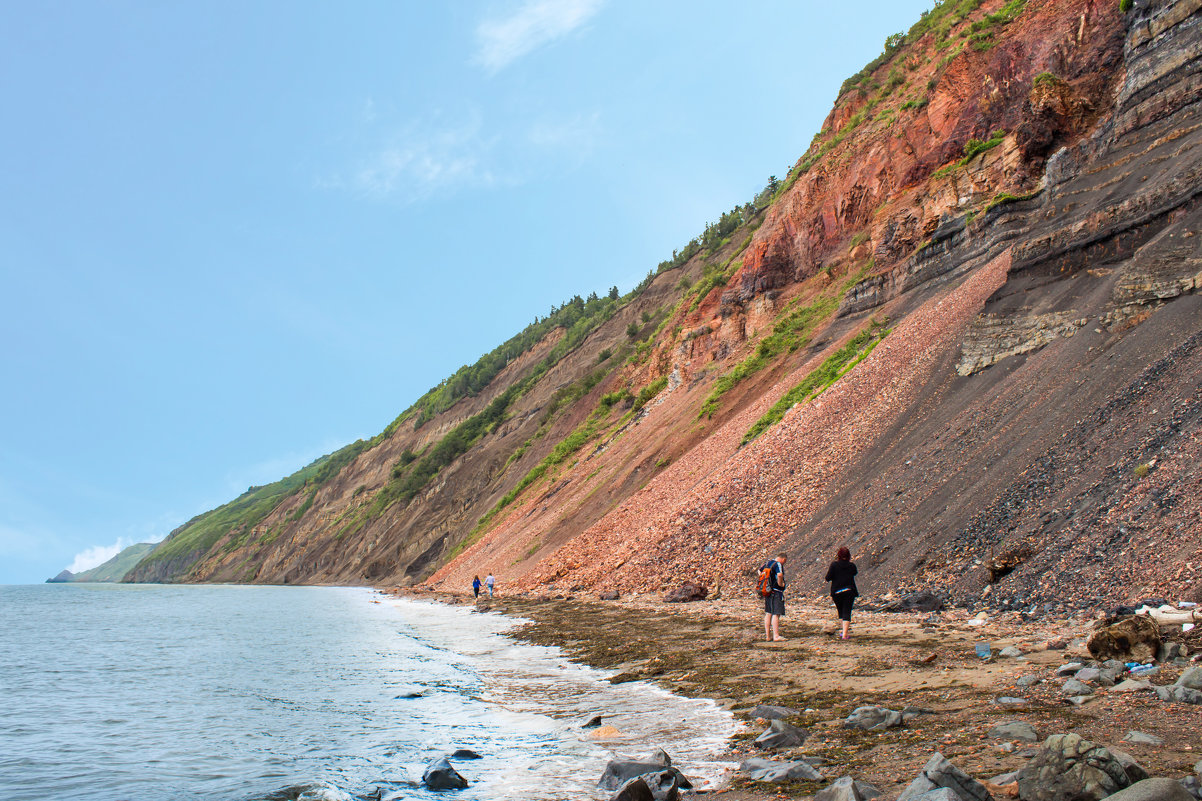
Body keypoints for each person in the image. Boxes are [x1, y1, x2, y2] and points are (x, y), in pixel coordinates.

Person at [825, 546, 859, 640]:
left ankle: (842, 632)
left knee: (840, 611)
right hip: (849, 591)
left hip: (837, 591)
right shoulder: (851, 565)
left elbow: (828, 578)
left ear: (838, 555)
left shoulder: (834, 565)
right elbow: (855, 573)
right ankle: (845, 634)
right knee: (847, 611)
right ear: (849, 556)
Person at [761, 553, 787, 642]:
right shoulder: (778, 564)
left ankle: (768, 636)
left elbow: (759, 571)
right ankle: (776, 636)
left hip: (767, 590)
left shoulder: (768, 563)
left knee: (768, 613)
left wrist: (765, 582)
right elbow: (780, 575)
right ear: (783, 559)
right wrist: (781, 584)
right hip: (776, 591)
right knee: (776, 613)